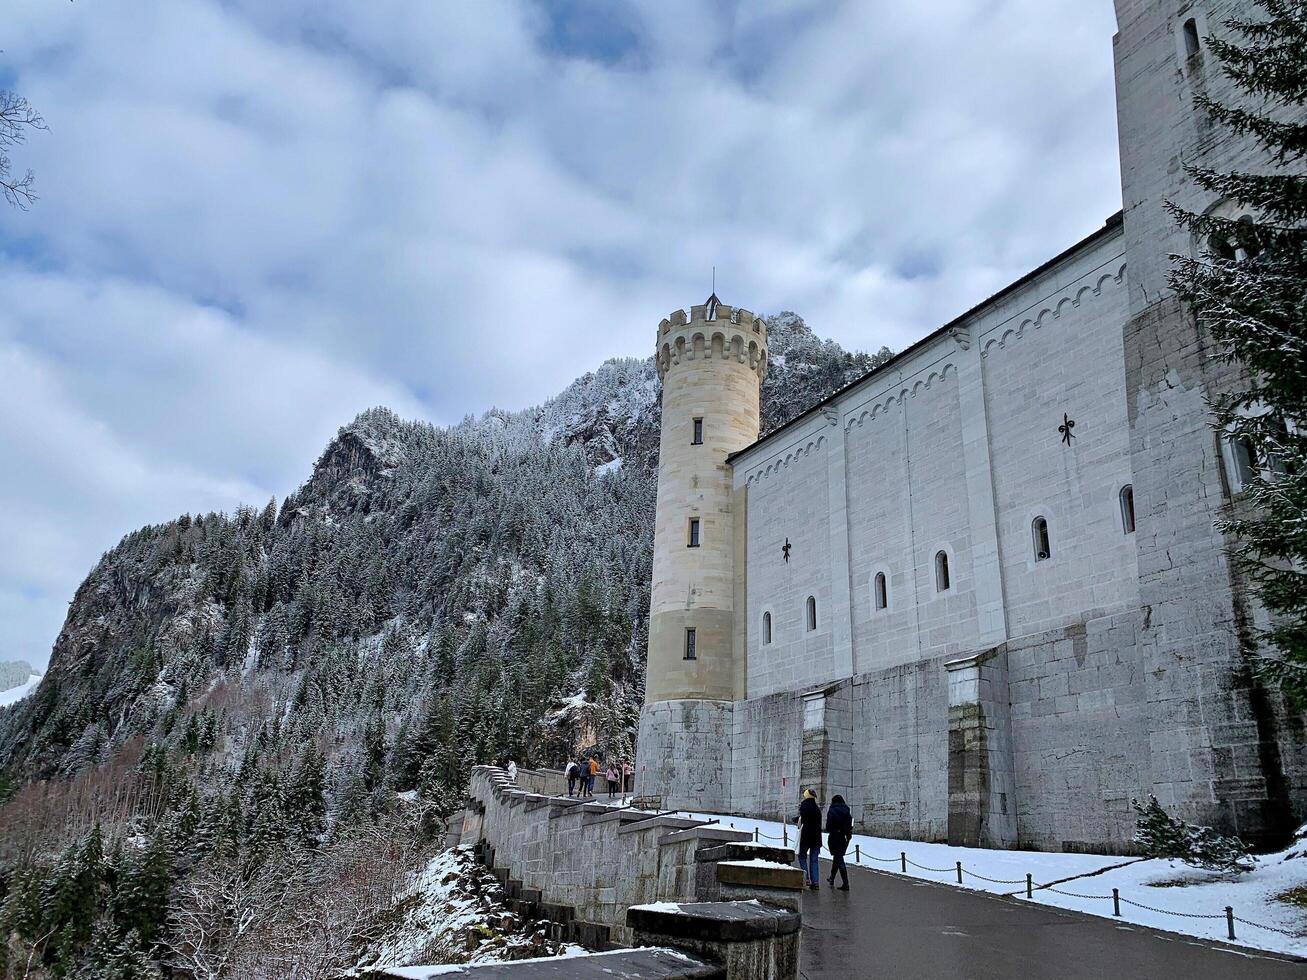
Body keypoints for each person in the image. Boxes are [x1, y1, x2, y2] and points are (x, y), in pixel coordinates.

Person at [795, 789, 823, 890]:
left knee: (802, 856)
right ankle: (815, 882)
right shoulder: (817, 808)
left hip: (806, 837)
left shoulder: (804, 806)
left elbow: (803, 819)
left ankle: (806, 878)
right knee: (814, 860)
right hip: (816, 838)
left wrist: (796, 819)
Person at [825, 794, 853, 891]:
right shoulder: (847, 810)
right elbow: (850, 824)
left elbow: (828, 825)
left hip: (835, 836)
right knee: (837, 857)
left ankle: (846, 883)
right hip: (844, 837)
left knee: (839, 858)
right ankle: (832, 878)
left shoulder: (832, 810)